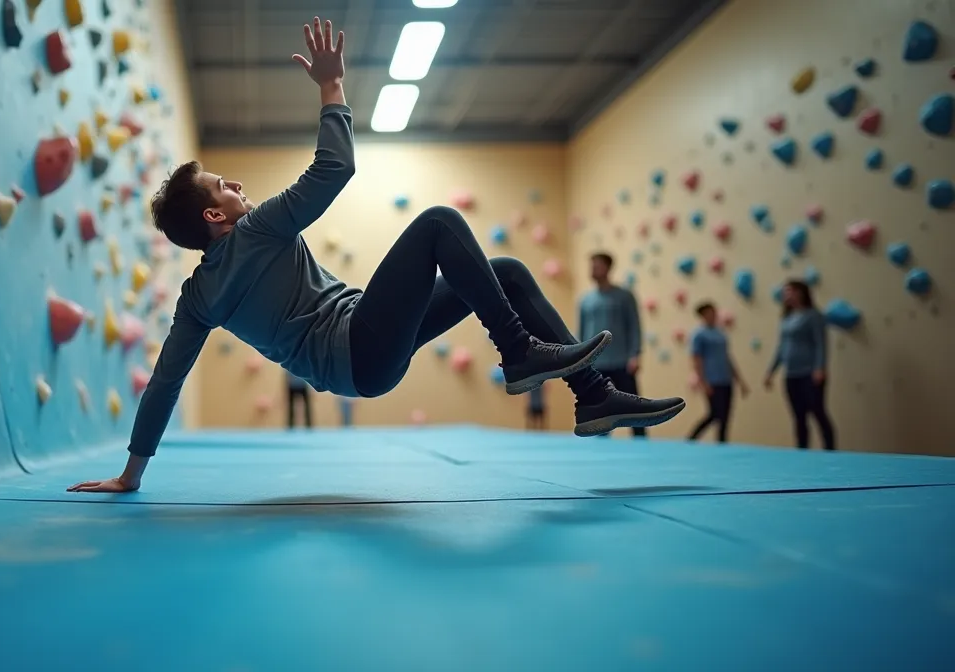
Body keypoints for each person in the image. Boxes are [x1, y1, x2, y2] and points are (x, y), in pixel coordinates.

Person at [67, 17, 686, 493]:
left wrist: (131, 474)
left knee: (508, 274)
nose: (236, 186)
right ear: (214, 217)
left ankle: (592, 393)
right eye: (222, 186)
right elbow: (335, 167)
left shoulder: (197, 297)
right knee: (439, 222)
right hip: (360, 342)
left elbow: (166, 381)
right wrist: (331, 86)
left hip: (360, 364)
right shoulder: (257, 229)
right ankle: (519, 352)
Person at [578, 252, 647, 437]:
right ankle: (602, 449)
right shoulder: (585, 300)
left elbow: (634, 326)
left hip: (622, 362)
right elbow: (581, 333)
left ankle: (642, 444)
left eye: (597, 266)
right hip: (595, 365)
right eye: (591, 266)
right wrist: (580, 362)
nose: (593, 270)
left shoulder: (624, 296)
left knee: (633, 408)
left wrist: (635, 354)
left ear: (608, 268)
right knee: (600, 412)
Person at [765, 279, 836, 450]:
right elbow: (781, 347)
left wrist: (820, 367)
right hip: (791, 374)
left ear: (800, 293)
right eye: (785, 292)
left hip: (809, 373)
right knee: (798, 415)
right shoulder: (786, 318)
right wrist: (771, 371)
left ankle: (830, 449)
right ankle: (802, 449)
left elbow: (820, 343)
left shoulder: (813, 315)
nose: (786, 295)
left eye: (790, 291)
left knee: (817, 411)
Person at [687, 302, 748, 443]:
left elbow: (727, 357)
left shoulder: (721, 334)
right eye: (709, 313)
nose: (712, 315)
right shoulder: (699, 334)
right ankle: (691, 438)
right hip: (712, 380)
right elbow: (696, 359)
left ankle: (722, 443)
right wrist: (703, 381)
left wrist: (740, 381)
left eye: (714, 312)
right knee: (715, 413)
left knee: (725, 416)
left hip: (725, 379)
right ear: (703, 315)